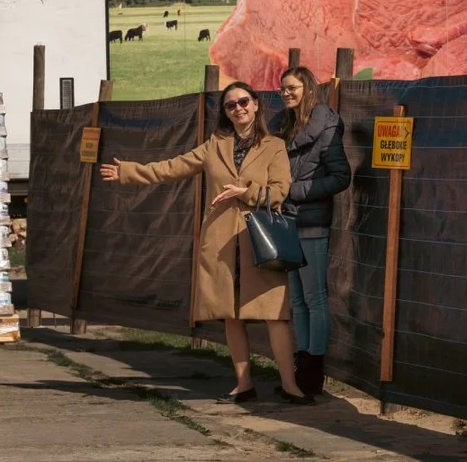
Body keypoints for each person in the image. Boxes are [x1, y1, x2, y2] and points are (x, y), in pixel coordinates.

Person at [99, 81, 316, 405]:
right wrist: (129, 172)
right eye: (231, 105)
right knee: (230, 314)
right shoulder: (215, 145)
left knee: (275, 315)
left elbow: (280, 191)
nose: (238, 108)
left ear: (256, 105)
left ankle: (290, 386)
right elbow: (173, 167)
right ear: (225, 113)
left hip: (263, 241)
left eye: (244, 101)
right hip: (222, 243)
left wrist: (245, 192)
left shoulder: (274, 146)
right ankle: (243, 385)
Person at [270, 66, 351, 396]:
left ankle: (313, 372)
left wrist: (295, 190)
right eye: (282, 89)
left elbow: (341, 177)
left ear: (307, 89)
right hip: (286, 221)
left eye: (292, 88)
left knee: (315, 298)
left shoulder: (327, 126)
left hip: (313, 222)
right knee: (298, 301)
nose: (286, 93)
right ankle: (300, 372)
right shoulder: (284, 125)